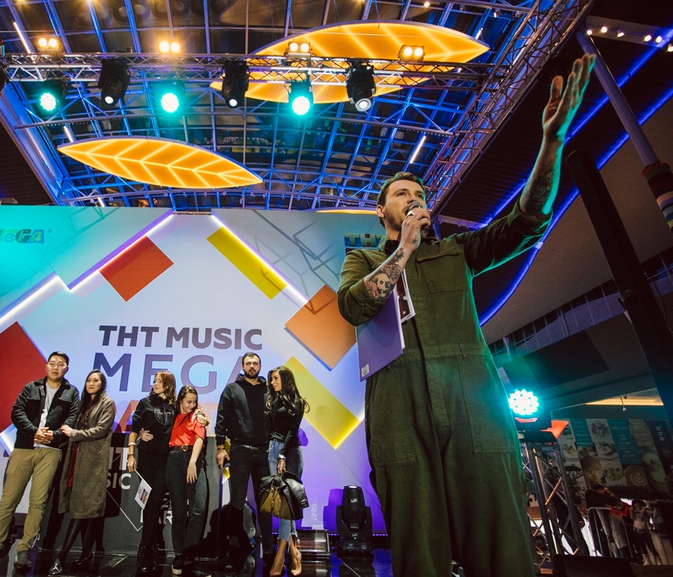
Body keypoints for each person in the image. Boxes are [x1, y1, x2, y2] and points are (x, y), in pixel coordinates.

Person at [336, 53, 595, 577]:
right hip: (398, 402)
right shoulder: (363, 258)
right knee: (419, 549)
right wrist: (403, 251)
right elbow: (354, 305)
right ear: (381, 212)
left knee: (500, 542)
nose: (414, 199)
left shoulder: (458, 251)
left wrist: (551, 141)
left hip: (472, 399)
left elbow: (527, 220)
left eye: (420, 194)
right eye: (402, 194)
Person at [0, 352, 80, 572]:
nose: (56, 367)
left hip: (51, 451)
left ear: (67, 368)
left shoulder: (71, 392)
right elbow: (17, 412)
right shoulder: (31, 387)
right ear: (46, 366)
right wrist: (34, 431)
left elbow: (72, 418)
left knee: (38, 502)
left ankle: (24, 549)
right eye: (52, 363)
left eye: (61, 364)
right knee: (8, 500)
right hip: (24, 447)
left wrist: (54, 435)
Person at [49, 370, 117, 576]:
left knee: (81, 509)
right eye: (88, 380)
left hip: (92, 462)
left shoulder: (107, 403)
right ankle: (87, 553)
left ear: (102, 384)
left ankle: (60, 558)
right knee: (84, 510)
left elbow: (101, 429)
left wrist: (75, 433)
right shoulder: (82, 403)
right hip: (75, 458)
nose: (91, 383)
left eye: (96, 380)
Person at [214, 352, 274, 570]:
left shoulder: (269, 390)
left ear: (260, 366)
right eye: (248, 363)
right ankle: (234, 549)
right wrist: (220, 447)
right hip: (239, 451)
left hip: (264, 453)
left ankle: (269, 550)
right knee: (237, 502)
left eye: (255, 363)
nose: (252, 366)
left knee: (265, 503)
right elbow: (221, 418)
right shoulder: (232, 389)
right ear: (242, 366)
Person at [127, 370, 178, 575]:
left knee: (155, 503)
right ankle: (147, 549)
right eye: (155, 381)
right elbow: (134, 429)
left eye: (160, 381)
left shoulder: (176, 405)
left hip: (166, 460)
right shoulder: (145, 403)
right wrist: (132, 454)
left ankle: (148, 548)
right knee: (148, 504)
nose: (155, 384)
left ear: (168, 385)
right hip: (147, 458)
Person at [265, 366, 308, 577]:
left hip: (289, 452)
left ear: (285, 379)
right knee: (283, 503)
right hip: (273, 450)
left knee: (286, 502)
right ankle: (294, 550)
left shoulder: (297, 402)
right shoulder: (272, 400)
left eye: (275, 378)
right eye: (271, 379)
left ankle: (281, 553)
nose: (272, 382)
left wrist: (282, 455)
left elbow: (292, 431)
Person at [166, 384, 210, 577]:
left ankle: (189, 554)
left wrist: (193, 462)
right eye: (188, 402)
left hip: (194, 459)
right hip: (174, 459)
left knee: (198, 509)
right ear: (180, 400)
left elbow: (199, 437)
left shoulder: (197, 415)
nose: (191, 405)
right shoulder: (172, 415)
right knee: (178, 511)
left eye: (194, 402)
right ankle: (179, 554)